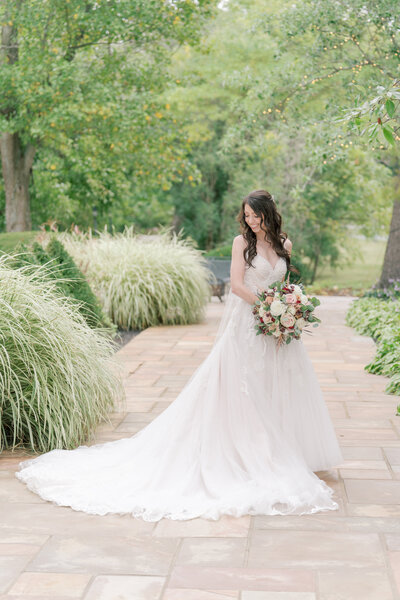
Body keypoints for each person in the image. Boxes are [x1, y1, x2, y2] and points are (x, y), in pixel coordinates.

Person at [16, 189, 344, 521]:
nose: (250, 221)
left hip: (277, 330)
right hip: (247, 324)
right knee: (245, 388)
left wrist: (285, 308)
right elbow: (236, 285)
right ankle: (249, 451)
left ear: (268, 213)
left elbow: (284, 284)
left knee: (280, 385)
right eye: (246, 216)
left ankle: (283, 449)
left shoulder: (284, 245)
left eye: (255, 215)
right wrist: (267, 309)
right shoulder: (240, 243)